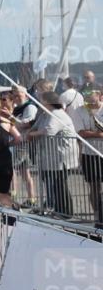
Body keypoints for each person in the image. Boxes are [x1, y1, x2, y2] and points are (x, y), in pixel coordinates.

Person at [27, 91, 79, 217]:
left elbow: (48, 131)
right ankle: (57, 209)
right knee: (55, 184)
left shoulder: (57, 114)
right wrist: (32, 132)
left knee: (60, 184)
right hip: (51, 157)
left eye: (42, 99)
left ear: (48, 102)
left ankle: (65, 212)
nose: (40, 102)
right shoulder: (45, 114)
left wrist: (32, 134)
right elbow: (35, 127)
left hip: (62, 157)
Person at [71, 90, 103, 228]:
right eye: (87, 100)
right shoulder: (80, 110)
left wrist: (93, 134)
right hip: (88, 154)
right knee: (94, 186)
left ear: (100, 97)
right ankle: (97, 215)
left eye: (93, 100)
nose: (89, 103)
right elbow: (80, 132)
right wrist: (98, 134)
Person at [0, 93, 21, 208]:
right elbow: (18, 138)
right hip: (5, 160)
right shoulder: (6, 122)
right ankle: (13, 218)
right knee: (3, 195)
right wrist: (7, 144)